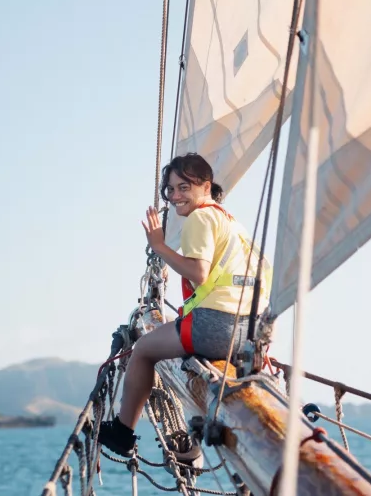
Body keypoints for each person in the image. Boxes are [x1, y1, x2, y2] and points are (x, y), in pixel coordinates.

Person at [98, 152, 271, 456]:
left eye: (184, 187)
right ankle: (190, 434)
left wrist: (159, 246)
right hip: (248, 332)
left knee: (142, 351)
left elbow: (199, 273)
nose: (175, 196)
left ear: (206, 186)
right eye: (171, 189)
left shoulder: (200, 218)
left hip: (216, 328)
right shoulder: (231, 223)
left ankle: (122, 433)